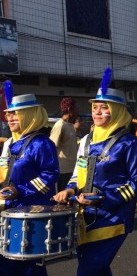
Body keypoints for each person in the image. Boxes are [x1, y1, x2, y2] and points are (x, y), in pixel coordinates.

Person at [53, 68, 137, 275]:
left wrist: (103, 198)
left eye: (104, 108)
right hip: (84, 215)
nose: (97, 112)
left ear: (117, 111)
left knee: (88, 270)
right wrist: (69, 190)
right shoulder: (86, 140)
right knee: (96, 268)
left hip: (114, 217)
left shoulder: (128, 142)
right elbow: (79, 172)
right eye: (95, 107)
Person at [0, 81, 60, 276]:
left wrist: (21, 190)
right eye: (8, 114)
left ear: (29, 115)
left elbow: (50, 177)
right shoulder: (10, 143)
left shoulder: (42, 143)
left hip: (32, 212)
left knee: (29, 265)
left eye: (15, 113)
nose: (10, 118)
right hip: (9, 210)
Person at [49, 97, 78, 192]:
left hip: (72, 170)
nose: (77, 111)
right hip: (63, 171)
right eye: (75, 108)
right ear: (70, 109)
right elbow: (51, 148)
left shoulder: (70, 125)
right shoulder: (59, 125)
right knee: (62, 201)